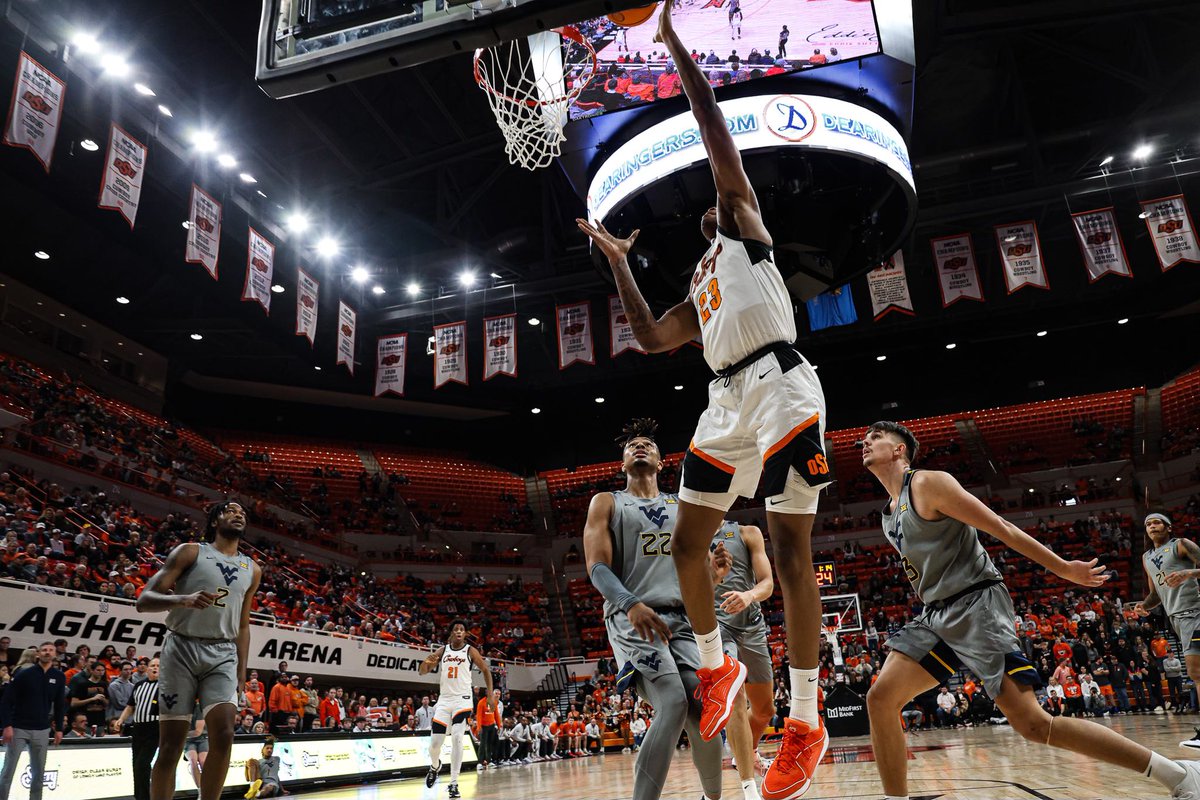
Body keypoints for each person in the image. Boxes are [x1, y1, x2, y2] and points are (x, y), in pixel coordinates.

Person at [578, 6, 833, 798]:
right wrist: (620, 261)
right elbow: (652, 339)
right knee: (690, 545)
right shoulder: (699, 284)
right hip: (723, 402)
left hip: (780, 382)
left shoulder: (744, 230)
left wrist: (675, 48)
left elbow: (712, 127)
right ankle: (715, 667)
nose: (714, 208)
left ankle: (806, 720)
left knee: (790, 555)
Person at [859, 421, 1200, 800]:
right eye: (865, 438)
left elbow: (1000, 526)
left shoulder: (927, 483)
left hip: (977, 605)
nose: (865, 442)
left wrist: (1063, 568)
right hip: (936, 614)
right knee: (880, 698)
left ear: (900, 449)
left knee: (1033, 724)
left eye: (876, 437)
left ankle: (1178, 774)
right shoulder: (888, 513)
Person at [583, 418, 726, 800]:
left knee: (703, 706)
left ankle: (713, 797)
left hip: (681, 619)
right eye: (632, 446)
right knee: (674, 700)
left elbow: (695, 577)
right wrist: (630, 604)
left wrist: (713, 576)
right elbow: (596, 567)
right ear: (622, 464)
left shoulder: (681, 506)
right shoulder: (608, 502)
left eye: (647, 444)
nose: (639, 447)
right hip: (632, 617)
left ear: (663, 462)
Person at [137, 501, 262, 800]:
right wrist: (182, 599)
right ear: (215, 519)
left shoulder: (252, 569)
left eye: (242, 513)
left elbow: (243, 626)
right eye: (231, 510)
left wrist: (242, 671)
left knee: (224, 734)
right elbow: (144, 600)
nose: (238, 514)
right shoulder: (191, 551)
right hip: (181, 648)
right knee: (170, 746)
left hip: (222, 653)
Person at [712, 521, 774, 799]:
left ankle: (744, 753)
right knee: (736, 699)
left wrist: (749, 595)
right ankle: (749, 788)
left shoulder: (748, 533)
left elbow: (768, 582)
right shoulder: (689, 533)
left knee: (764, 710)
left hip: (752, 624)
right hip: (717, 628)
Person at [1130, 513, 1200, 745]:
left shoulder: (1181, 545)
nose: (1152, 526)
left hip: (1196, 611)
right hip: (1177, 619)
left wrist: (1188, 573)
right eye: (1148, 524)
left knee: (1196, 672)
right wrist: (1143, 607)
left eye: (1156, 522)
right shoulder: (1146, 557)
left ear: (1168, 527)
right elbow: (1155, 594)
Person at [419, 620, 497, 799]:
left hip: (463, 699)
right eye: (456, 629)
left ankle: (453, 783)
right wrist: (426, 664)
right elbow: (423, 670)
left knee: (457, 736)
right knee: (434, 745)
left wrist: (490, 694)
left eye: (462, 630)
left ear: (466, 634)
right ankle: (434, 766)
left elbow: (486, 670)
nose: (459, 632)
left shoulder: (470, 650)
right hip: (444, 701)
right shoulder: (442, 650)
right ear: (452, 633)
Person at [0, 642, 65, 800]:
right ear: (38, 654)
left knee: (39, 773)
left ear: (55, 654)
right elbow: (6, 701)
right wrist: (7, 726)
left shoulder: (58, 676)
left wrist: (59, 729)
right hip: (19, 727)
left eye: (50, 650)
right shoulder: (25, 674)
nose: (47, 653)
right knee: (8, 770)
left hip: (42, 729)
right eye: (44, 650)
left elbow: (60, 704)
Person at [117, 656, 161, 800]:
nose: (155, 668)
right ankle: (140, 796)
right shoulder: (139, 685)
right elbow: (130, 706)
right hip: (138, 728)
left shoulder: (166, 686)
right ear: (147, 668)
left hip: (155, 728)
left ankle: (147, 796)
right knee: (136, 764)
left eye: (158, 666)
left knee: (142, 764)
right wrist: (121, 719)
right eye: (152, 665)